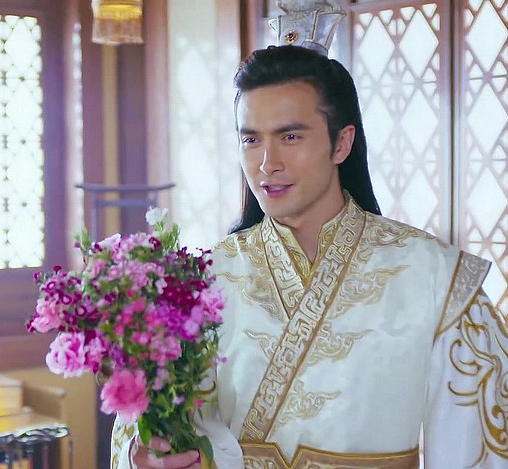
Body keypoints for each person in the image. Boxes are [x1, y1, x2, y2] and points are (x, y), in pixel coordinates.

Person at [111, 3, 508, 468]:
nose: (267, 164)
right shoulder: (203, 281)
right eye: (251, 139)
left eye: (291, 137)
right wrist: (151, 456)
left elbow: (477, 448)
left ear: (342, 143)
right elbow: (150, 429)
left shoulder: (437, 278)